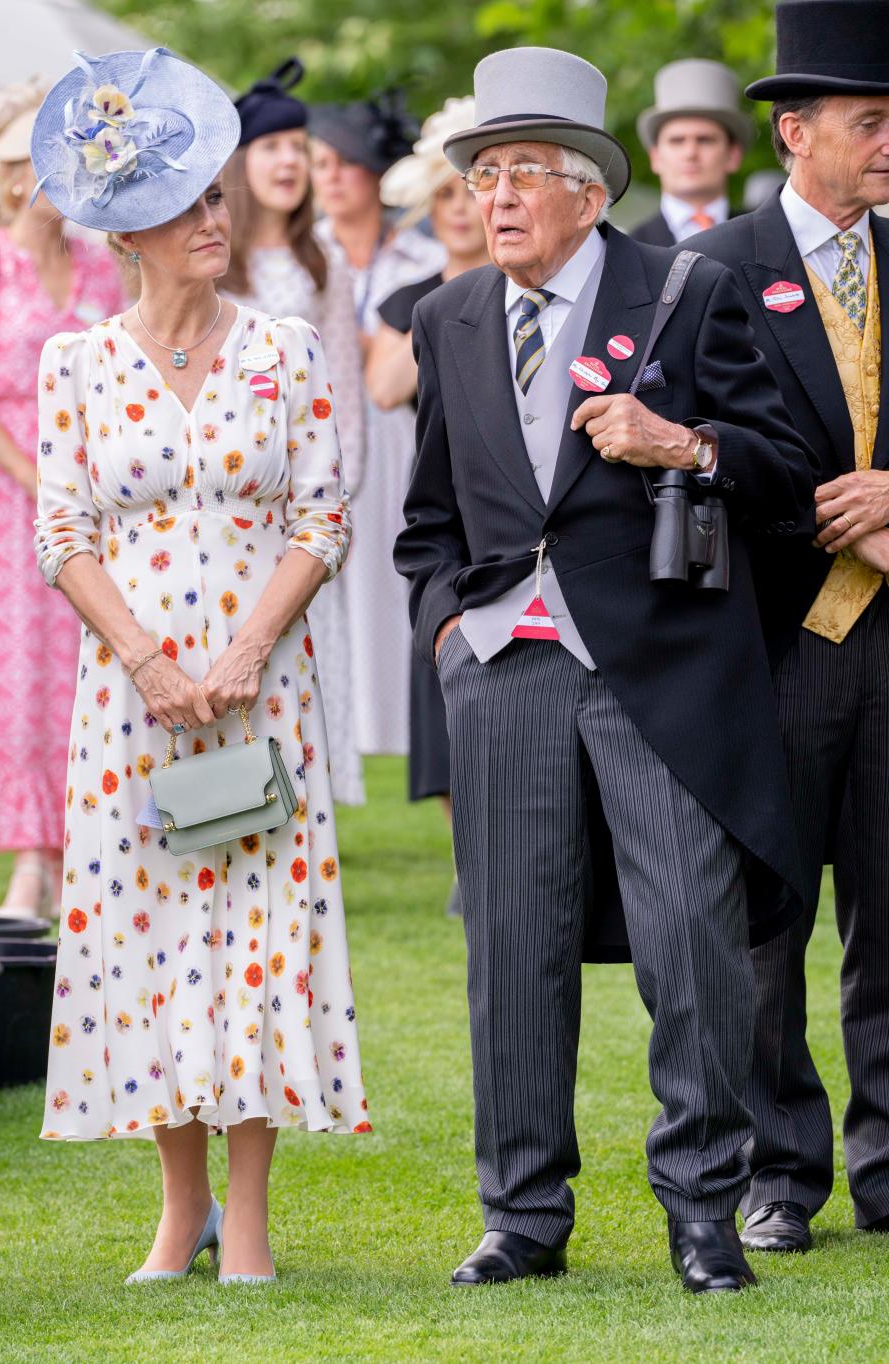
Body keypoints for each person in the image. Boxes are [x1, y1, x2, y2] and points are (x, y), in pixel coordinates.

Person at [394, 45, 816, 1294]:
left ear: (588, 189)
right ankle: (521, 1216)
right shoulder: (448, 314)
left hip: (665, 669)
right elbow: (430, 519)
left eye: (525, 170)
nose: (499, 195)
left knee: (690, 938)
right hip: (504, 669)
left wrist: (676, 438)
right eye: (484, 173)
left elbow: (785, 465)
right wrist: (447, 635)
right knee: (512, 951)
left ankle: (702, 1208)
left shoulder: (686, 288)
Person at [30, 47, 370, 1286]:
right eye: (186, 206)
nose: (214, 219)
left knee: (260, 935)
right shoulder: (76, 364)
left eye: (217, 197)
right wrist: (148, 660)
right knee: (147, 932)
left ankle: (254, 1220)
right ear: (129, 233)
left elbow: (321, 518)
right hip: (130, 700)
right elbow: (60, 531)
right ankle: (177, 1216)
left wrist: (240, 648)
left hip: (262, 685)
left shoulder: (284, 347)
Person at [688, 0, 889, 1255]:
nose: (888, 144)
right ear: (796, 132)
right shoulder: (714, 266)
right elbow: (697, 455)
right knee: (767, 919)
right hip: (774, 638)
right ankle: (781, 1170)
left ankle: (888, 1165)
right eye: (871, 124)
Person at [0, 79, 123, 917]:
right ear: (15, 175)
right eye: (50, 161)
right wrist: (39, 480)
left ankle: (86, 846)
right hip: (9, 498)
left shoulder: (101, 260)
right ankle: (30, 865)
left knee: (90, 667)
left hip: (99, 488)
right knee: (15, 677)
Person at [221, 58, 365, 805]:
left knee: (301, 661)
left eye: (300, 149)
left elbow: (344, 390)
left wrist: (336, 504)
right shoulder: (214, 263)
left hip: (304, 508)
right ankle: (228, 803)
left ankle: (300, 809)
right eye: (273, 147)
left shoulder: (324, 264)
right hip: (229, 502)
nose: (289, 162)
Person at [367, 96, 490, 914]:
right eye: (442, 197)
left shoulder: (527, 286)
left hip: (515, 491)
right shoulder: (409, 298)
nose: (457, 211)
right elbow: (384, 386)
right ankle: (465, 853)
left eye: (467, 195)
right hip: (441, 493)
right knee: (438, 657)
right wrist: (449, 303)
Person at [310, 97, 445, 757]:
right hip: (321, 431)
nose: (331, 179)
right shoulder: (304, 256)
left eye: (347, 165)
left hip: (397, 434)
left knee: (391, 576)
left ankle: (389, 722)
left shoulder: (420, 259)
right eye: (321, 165)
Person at [629, 59, 754, 246]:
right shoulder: (630, 246)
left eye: (705, 140)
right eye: (677, 141)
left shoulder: (760, 236)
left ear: (733, 155)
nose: (690, 153)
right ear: (655, 157)